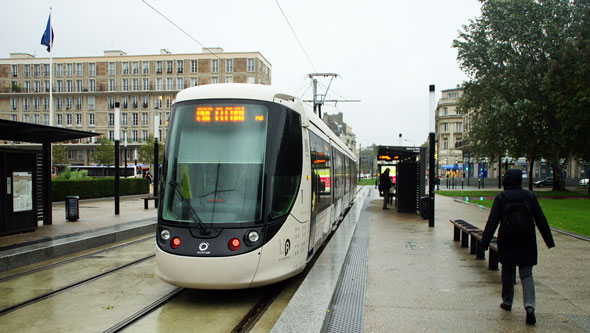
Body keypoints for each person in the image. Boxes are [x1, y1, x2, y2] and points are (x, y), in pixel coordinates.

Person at [480, 169, 555, 325]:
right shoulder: (529, 196)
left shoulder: (501, 197)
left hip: (507, 240)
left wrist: (484, 243)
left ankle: (507, 301)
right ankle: (529, 306)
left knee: (507, 270)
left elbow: (492, 221)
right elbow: (541, 219)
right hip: (527, 240)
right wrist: (549, 240)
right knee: (526, 273)